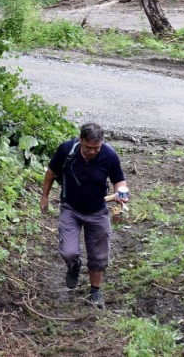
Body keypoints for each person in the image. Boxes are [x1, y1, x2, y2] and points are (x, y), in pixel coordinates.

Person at [40, 123, 129, 309]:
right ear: (81, 141)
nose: (92, 152)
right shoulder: (66, 150)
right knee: (69, 251)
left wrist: (121, 192)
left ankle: (95, 291)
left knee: (98, 255)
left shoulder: (109, 155)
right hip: (70, 208)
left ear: (101, 143)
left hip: (98, 210)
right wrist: (45, 196)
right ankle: (73, 266)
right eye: (88, 148)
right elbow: (50, 173)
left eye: (96, 148)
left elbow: (119, 180)